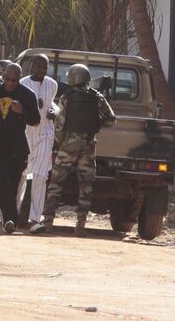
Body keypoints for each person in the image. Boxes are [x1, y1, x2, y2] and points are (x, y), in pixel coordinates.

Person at [42, 64, 115, 237]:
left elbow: (60, 123)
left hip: (68, 147)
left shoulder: (67, 97)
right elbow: (111, 119)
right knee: (86, 188)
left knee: (55, 185)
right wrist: (96, 125)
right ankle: (80, 226)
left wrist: (59, 143)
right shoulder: (97, 97)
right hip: (88, 147)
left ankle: (48, 223)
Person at [0, 63, 41, 234]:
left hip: (17, 147)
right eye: (7, 79)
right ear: (3, 76)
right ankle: (9, 219)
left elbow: (35, 120)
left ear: (20, 78)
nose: (10, 83)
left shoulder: (27, 95)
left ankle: (9, 218)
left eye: (14, 80)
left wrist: (22, 111)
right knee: (3, 180)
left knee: (13, 185)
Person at [16, 54, 59, 234]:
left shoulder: (52, 84)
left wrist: (53, 110)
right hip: (26, 133)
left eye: (44, 67)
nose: (41, 70)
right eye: (38, 66)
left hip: (45, 134)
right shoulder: (23, 83)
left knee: (40, 176)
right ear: (32, 67)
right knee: (22, 174)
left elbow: (54, 105)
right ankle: (14, 214)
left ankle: (35, 219)